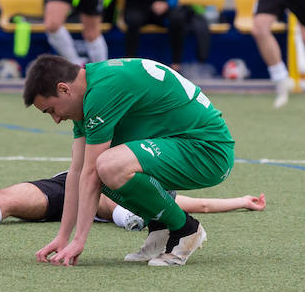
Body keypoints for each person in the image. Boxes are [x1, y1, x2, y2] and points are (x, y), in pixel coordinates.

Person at [24, 55, 235, 267]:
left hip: (209, 152)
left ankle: (186, 229)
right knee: (98, 165)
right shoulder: (89, 89)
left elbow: (90, 173)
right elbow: (77, 171)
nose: (56, 119)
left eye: (51, 110)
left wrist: (79, 241)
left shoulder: (101, 91)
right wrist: (62, 237)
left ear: (64, 89)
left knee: (107, 165)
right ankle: (160, 228)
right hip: (182, 146)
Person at [0, 174, 265, 229]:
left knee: (99, 193)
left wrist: (241, 201)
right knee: (5, 197)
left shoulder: (145, 182)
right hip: (62, 184)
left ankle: (129, 218)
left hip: (91, 197)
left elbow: (193, 205)